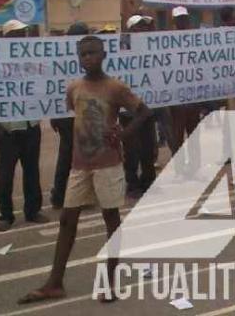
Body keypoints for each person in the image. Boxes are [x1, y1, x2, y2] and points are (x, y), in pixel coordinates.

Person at [18, 36, 152, 305]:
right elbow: (75, 121)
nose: (87, 58)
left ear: (103, 55)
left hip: (108, 165)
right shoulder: (75, 88)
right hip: (80, 166)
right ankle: (55, 282)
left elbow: (145, 113)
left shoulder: (115, 87)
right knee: (67, 220)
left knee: (111, 219)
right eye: (83, 54)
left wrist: (123, 135)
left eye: (92, 53)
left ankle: (110, 282)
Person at [0, 20, 48, 231]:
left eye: (23, 33)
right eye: (15, 34)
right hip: (6, 128)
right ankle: (5, 215)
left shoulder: (33, 60)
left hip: (30, 125)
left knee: (32, 170)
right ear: (6, 38)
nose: (20, 37)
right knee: (6, 174)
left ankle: (33, 210)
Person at [49, 22, 90, 210]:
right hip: (68, 116)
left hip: (82, 113)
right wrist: (55, 114)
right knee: (68, 157)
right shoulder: (64, 57)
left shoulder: (86, 57)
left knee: (79, 156)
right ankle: (60, 195)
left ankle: (73, 195)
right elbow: (53, 88)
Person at [120, 14, 158, 199]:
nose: (142, 31)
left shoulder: (151, 47)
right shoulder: (121, 48)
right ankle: (132, 183)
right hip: (129, 111)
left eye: (144, 27)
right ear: (129, 30)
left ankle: (149, 181)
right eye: (137, 28)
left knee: (148, 148)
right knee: (131, 150)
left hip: (148, 107)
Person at [168, 7, 204, 177]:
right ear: (174, 21)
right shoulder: (166, 41)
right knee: (177, 134)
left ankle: (195, 167)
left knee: (193, 133)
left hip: (193, 95)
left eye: (184, 18)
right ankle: (179, 169)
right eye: (179, 19)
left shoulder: (195, 38)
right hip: (176, 97)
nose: (182, 21)